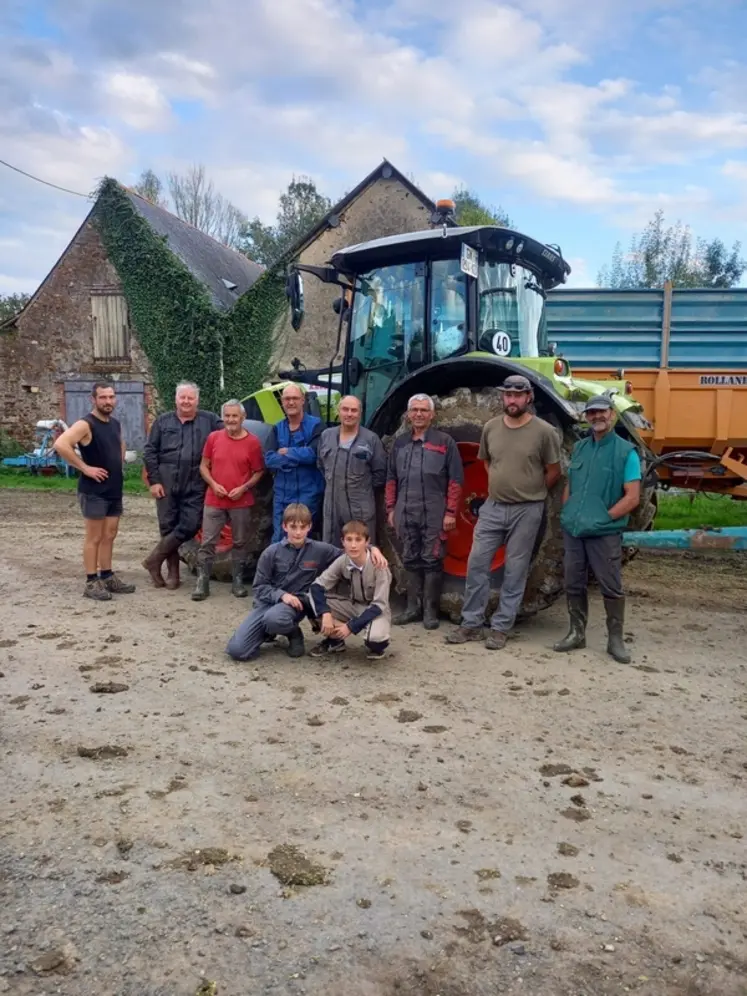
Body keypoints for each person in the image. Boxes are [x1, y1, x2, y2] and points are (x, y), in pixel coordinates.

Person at [447, 374, 561, 650]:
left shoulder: (544, 432)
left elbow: (554, 471)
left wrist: (530, 493)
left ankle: (500, 627)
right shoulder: (491, 427)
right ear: (503, 397)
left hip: (527, 510)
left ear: (528, 397)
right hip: (493, 507)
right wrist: (502, 487)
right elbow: (486, 462)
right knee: (476, 563)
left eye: (518, 395)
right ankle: (471, 623)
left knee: (515, 569)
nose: (512, 400)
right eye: (508, 395)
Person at [225, 504, 388, 662]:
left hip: (300, 604)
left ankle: (292, 634)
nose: (298, 532)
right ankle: (275, 630)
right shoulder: (271, 553)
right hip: (268, 603)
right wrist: (282, 595)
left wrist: (373, 549)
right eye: (293, 527)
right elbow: (259, 588)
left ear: (309, 527)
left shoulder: (320, 549)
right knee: (237, 650)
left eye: (302, 527)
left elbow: (351, 551)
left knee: (274, 619)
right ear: (284, 526)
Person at [554, 395, 642, 664]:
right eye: (591, 413)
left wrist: (606, 518)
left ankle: (615, 640)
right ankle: (576, 633)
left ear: (612, 415)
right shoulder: (579, 448)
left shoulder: (626, 452)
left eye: (601, 412)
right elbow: (571, 482)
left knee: (610, 585)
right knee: (573, 582)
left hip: (604, 532)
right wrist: (568, 510)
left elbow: (632, 496)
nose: (596, 417)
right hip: (575, 529)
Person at [385, 393, 463, 630]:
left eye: (423, 410)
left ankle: (430, 612)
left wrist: (451, 512)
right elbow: (391, 478)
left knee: (432, 560)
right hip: (406, 511)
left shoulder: (444, 442)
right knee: (410, 559)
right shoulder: (399, 443)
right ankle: (412, 608)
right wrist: (390, 508)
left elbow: (455, 480)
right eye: (415, 410)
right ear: (408, 415)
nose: (419, 414)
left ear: (432, 415)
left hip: (434, 512)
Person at [53, 382, 135, 601]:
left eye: (111, 397)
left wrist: (119, 464)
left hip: (113, 489)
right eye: (103, 398)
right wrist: (85, 468)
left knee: (110, 534)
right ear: (93, 399)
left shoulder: (115, 423)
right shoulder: (85, 424)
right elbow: (61, 444)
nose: (108, 402)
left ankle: (107, 576)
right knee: (95, 537)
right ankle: (91, 581)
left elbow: (120, 445)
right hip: (94, 490)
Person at [142, 382, 221, 589]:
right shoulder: (162, 421)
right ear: (176, 399)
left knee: (192, 523)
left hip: (195, 479)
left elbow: (228, 434)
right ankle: (173, 574)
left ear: (197, 400)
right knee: (167, 526)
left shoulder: (210, 420)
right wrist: (154, 481)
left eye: (190, 398)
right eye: (182, 397)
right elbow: (150, 452)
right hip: (166, 479)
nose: (186, 401)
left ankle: (153, 559)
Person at [191, 400, 265, 601]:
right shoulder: (214, 438)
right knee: (207, 541)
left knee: (240, 542)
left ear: (243, 418)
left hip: (241, 501)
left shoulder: (253, 443)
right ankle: (202, 582)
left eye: (235, 416)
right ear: (223, 417)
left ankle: (237, 581)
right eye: (227, 416)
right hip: (214, 499)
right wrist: (214, 485)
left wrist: (244, 487)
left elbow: (259, 472)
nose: (231, 420)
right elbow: (203, 466)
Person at [309, 520, 392, 661]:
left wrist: (350, 627)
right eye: (349, 540)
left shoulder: (379, 565)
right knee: (309, 600)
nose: (353, 545)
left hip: (375, 610)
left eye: (358, 540)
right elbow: (317, 586)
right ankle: (335, 640)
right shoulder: (343, 560)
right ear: (343, 542)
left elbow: (379, 605)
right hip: (353, 606)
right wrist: (325, 613)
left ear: (367, 542)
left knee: (375, 639)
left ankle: (375, 644)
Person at [318, 395, 387, 545]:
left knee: (362, 550)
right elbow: (322, 465)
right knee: (331, 549)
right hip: (332, 506)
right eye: (345, 409)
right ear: (339, 411)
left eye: (354, 410)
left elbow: (380, 474)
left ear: (360, 414)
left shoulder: (371, 439)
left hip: (360, 507)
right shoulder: (326, 436)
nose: (349, 414)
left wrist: (360, 489)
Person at [265, 384, 325, 542]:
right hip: (282, 495)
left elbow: (313, 455)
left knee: (303, 538)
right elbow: (269, 459)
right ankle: (280, 567)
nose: (291, 402)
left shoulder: (316, 425)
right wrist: (299, 456)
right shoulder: (277, 428)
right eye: (287, 399)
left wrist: (287, 452)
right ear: (282, 402)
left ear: (303, 401)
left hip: (308, 494)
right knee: (279, 538)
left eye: (295, 398)